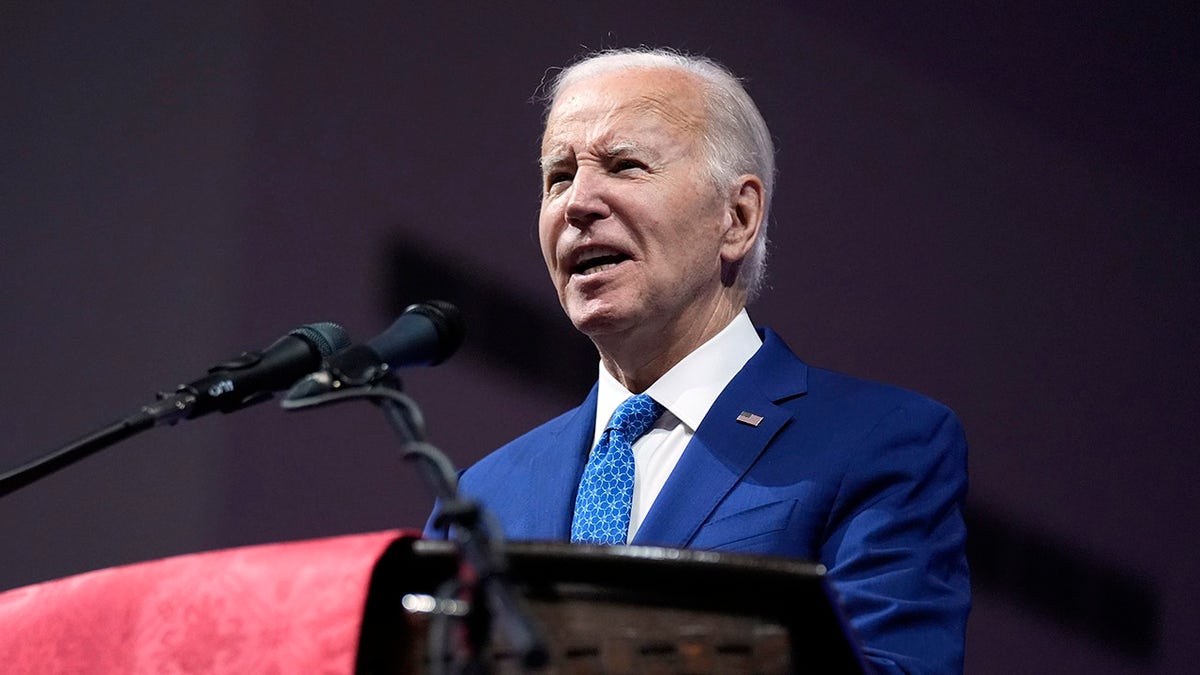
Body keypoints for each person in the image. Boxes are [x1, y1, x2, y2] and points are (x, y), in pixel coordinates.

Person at [427, 48, 969, 673]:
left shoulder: (881, 443)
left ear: (736, 218)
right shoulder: (482, 494)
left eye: (624, 165)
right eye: (558, 177)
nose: (576, 203)